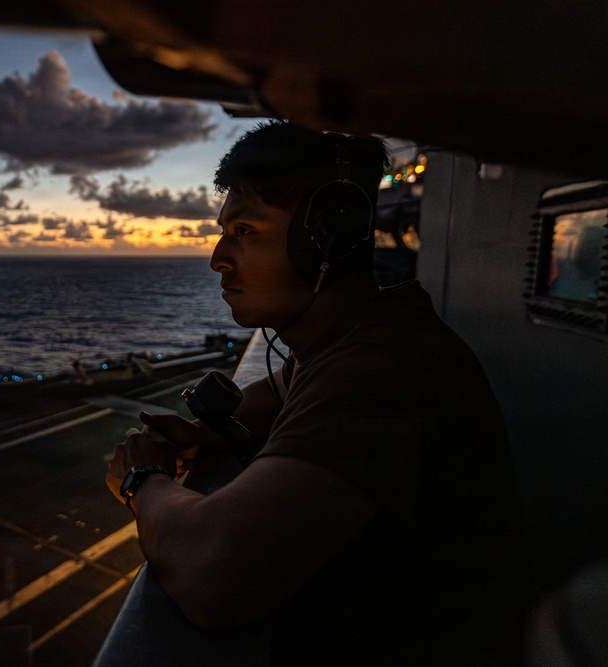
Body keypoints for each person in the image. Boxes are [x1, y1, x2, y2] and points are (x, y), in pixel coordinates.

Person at [105, 120, 534, 665]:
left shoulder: (383, 368)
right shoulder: (359, 334)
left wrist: (143, 479)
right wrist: (198, 436)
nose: (217, 256)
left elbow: (214, 575)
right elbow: (282, 388)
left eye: (246, 232)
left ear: (329, 234)